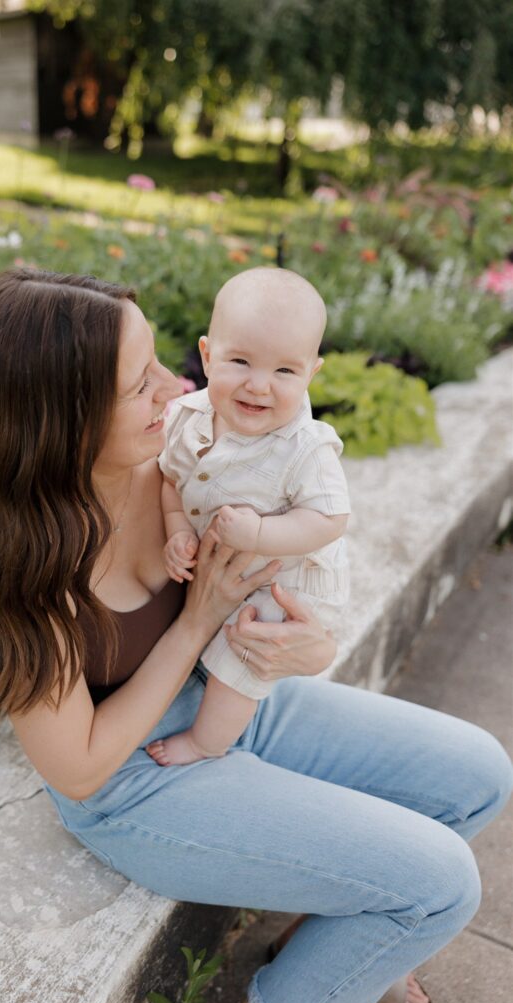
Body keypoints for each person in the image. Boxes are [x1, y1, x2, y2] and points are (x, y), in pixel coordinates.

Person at [0, 267, 512, 1003]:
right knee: (442, 884)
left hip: (224, 692)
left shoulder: (183, 456)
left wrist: (308, 648)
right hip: (134, 780)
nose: (174, 387)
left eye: (158, 362)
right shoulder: (16, 565)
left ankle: (329, 948)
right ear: (61, 418)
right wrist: (195, 621)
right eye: (139, 383)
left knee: (478, 775)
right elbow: (77, 768)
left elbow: (301, 559)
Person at [148, 268, 350, 767]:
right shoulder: (185, 417)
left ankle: (207, 742)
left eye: (285, 371)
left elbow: (329, 519)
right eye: (240, 361)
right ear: (207, 356)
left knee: (243, 652)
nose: (259, 386)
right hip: (224, 568)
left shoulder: (306, 448)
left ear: (311, 374)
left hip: (282, 581)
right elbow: (170, 481)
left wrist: (260, 531)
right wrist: (177, 529)